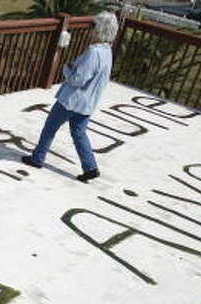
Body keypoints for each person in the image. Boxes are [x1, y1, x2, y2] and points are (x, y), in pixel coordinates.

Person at [22, 12, 119, 182]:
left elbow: (77, 80)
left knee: (50, 128)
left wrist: (67, 69)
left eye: (93, 27)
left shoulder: (93, 52)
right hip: (88, 104)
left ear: (100, 31)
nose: (91, 30)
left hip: (71, 101)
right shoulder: (107, 52)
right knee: (79, 133)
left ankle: (37, 158)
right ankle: (90, 167)